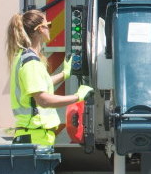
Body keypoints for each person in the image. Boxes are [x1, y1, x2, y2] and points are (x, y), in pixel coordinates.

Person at [5, 10, 92, 146]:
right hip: (35, 136)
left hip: (32, 135)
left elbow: (39, 85)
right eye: (48, 25)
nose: (49, 29)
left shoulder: (23, 57)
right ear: (40, 29)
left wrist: (65, 74)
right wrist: (77, 97)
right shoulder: (31, 62)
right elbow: (43, 100)